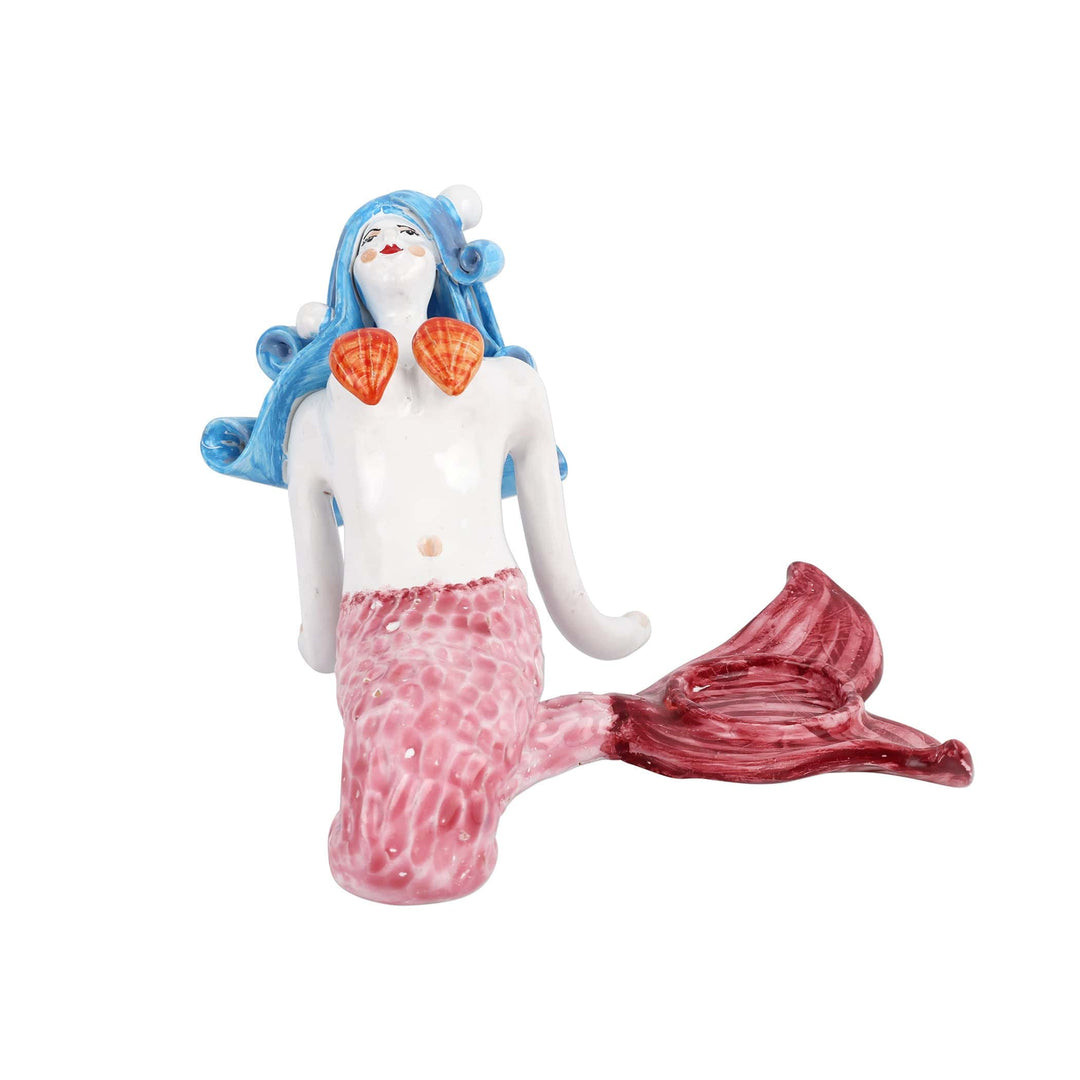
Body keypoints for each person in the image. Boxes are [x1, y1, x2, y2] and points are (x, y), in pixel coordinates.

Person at [202, 187, 972, 905]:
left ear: (443, 256)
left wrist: (595, 629)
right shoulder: (314, 419)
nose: (388, 244)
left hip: (486, 622)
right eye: (367, 237)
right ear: (345, 271)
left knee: (414, 827)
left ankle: (554, 737)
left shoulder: (510, 388)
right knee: (387, 846)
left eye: (407, 230)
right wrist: (322, 650)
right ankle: (594, 726)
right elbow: (320, 610)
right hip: (380, 635)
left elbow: (552, 547)